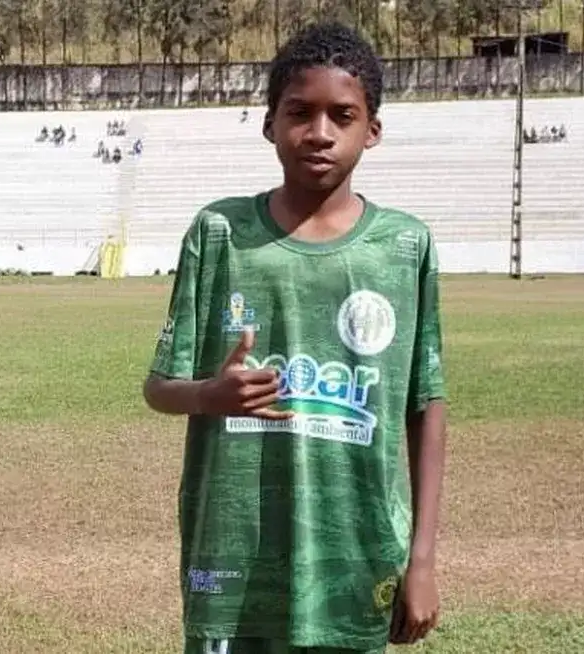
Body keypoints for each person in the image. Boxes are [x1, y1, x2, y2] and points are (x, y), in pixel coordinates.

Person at [142, 22, 447, 654]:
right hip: (231, 556)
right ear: (269, 124)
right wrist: (209, 395)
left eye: (343, 115)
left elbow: (426, 405)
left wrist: (421, 561)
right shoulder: (218, 233)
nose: (320, 132)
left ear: (373, 129)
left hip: (357, 557)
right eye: (299, 112)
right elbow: (158, 388)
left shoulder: (406, 247)